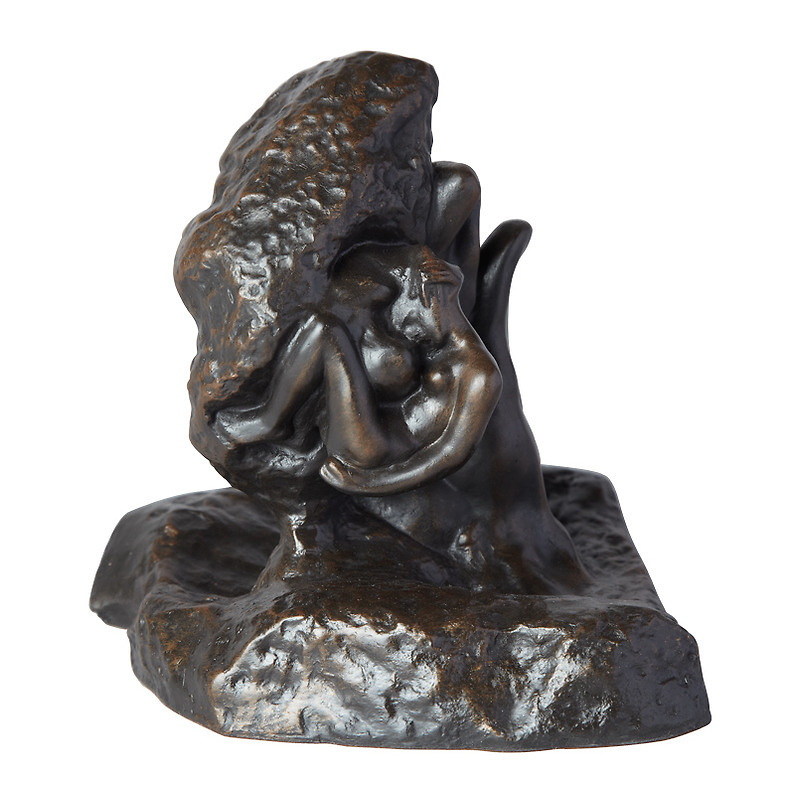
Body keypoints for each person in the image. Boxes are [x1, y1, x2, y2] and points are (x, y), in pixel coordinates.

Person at [214, 242, 502, 496]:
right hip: (373, 427)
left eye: (409, 318)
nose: (406, 330)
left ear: (431, 301)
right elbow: (416, 257)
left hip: (371, 450)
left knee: (326, 330)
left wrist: (366, 483)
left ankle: (271, 421)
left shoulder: (481, 374)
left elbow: (449, 454)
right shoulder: (440, 333)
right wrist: (442, 270)